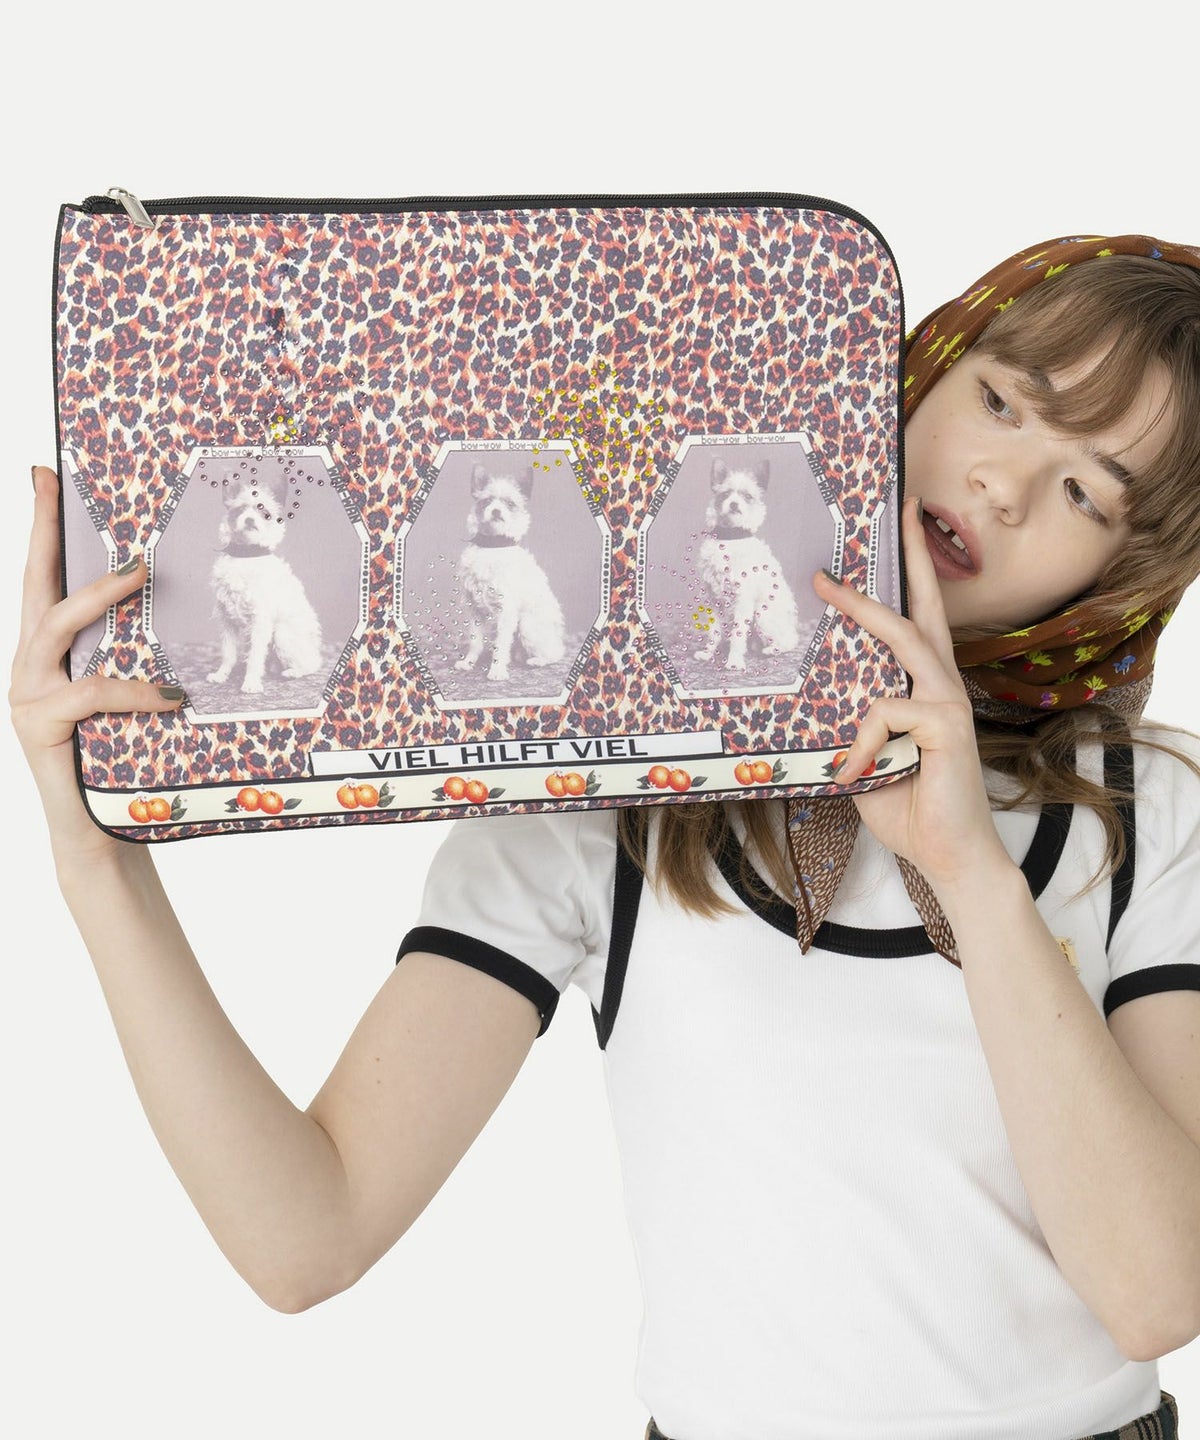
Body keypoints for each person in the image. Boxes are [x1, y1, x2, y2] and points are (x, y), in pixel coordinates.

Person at [12, 231, 1200, 1440]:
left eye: (1085, 492)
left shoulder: (1145, 810)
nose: (1003, 483)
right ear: (915, 370)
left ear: (1127, 575)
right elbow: (306, 1240)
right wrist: (97, 861)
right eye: (1000, 400)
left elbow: (1155, 1296)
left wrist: (968, 868)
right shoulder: (617, 780)